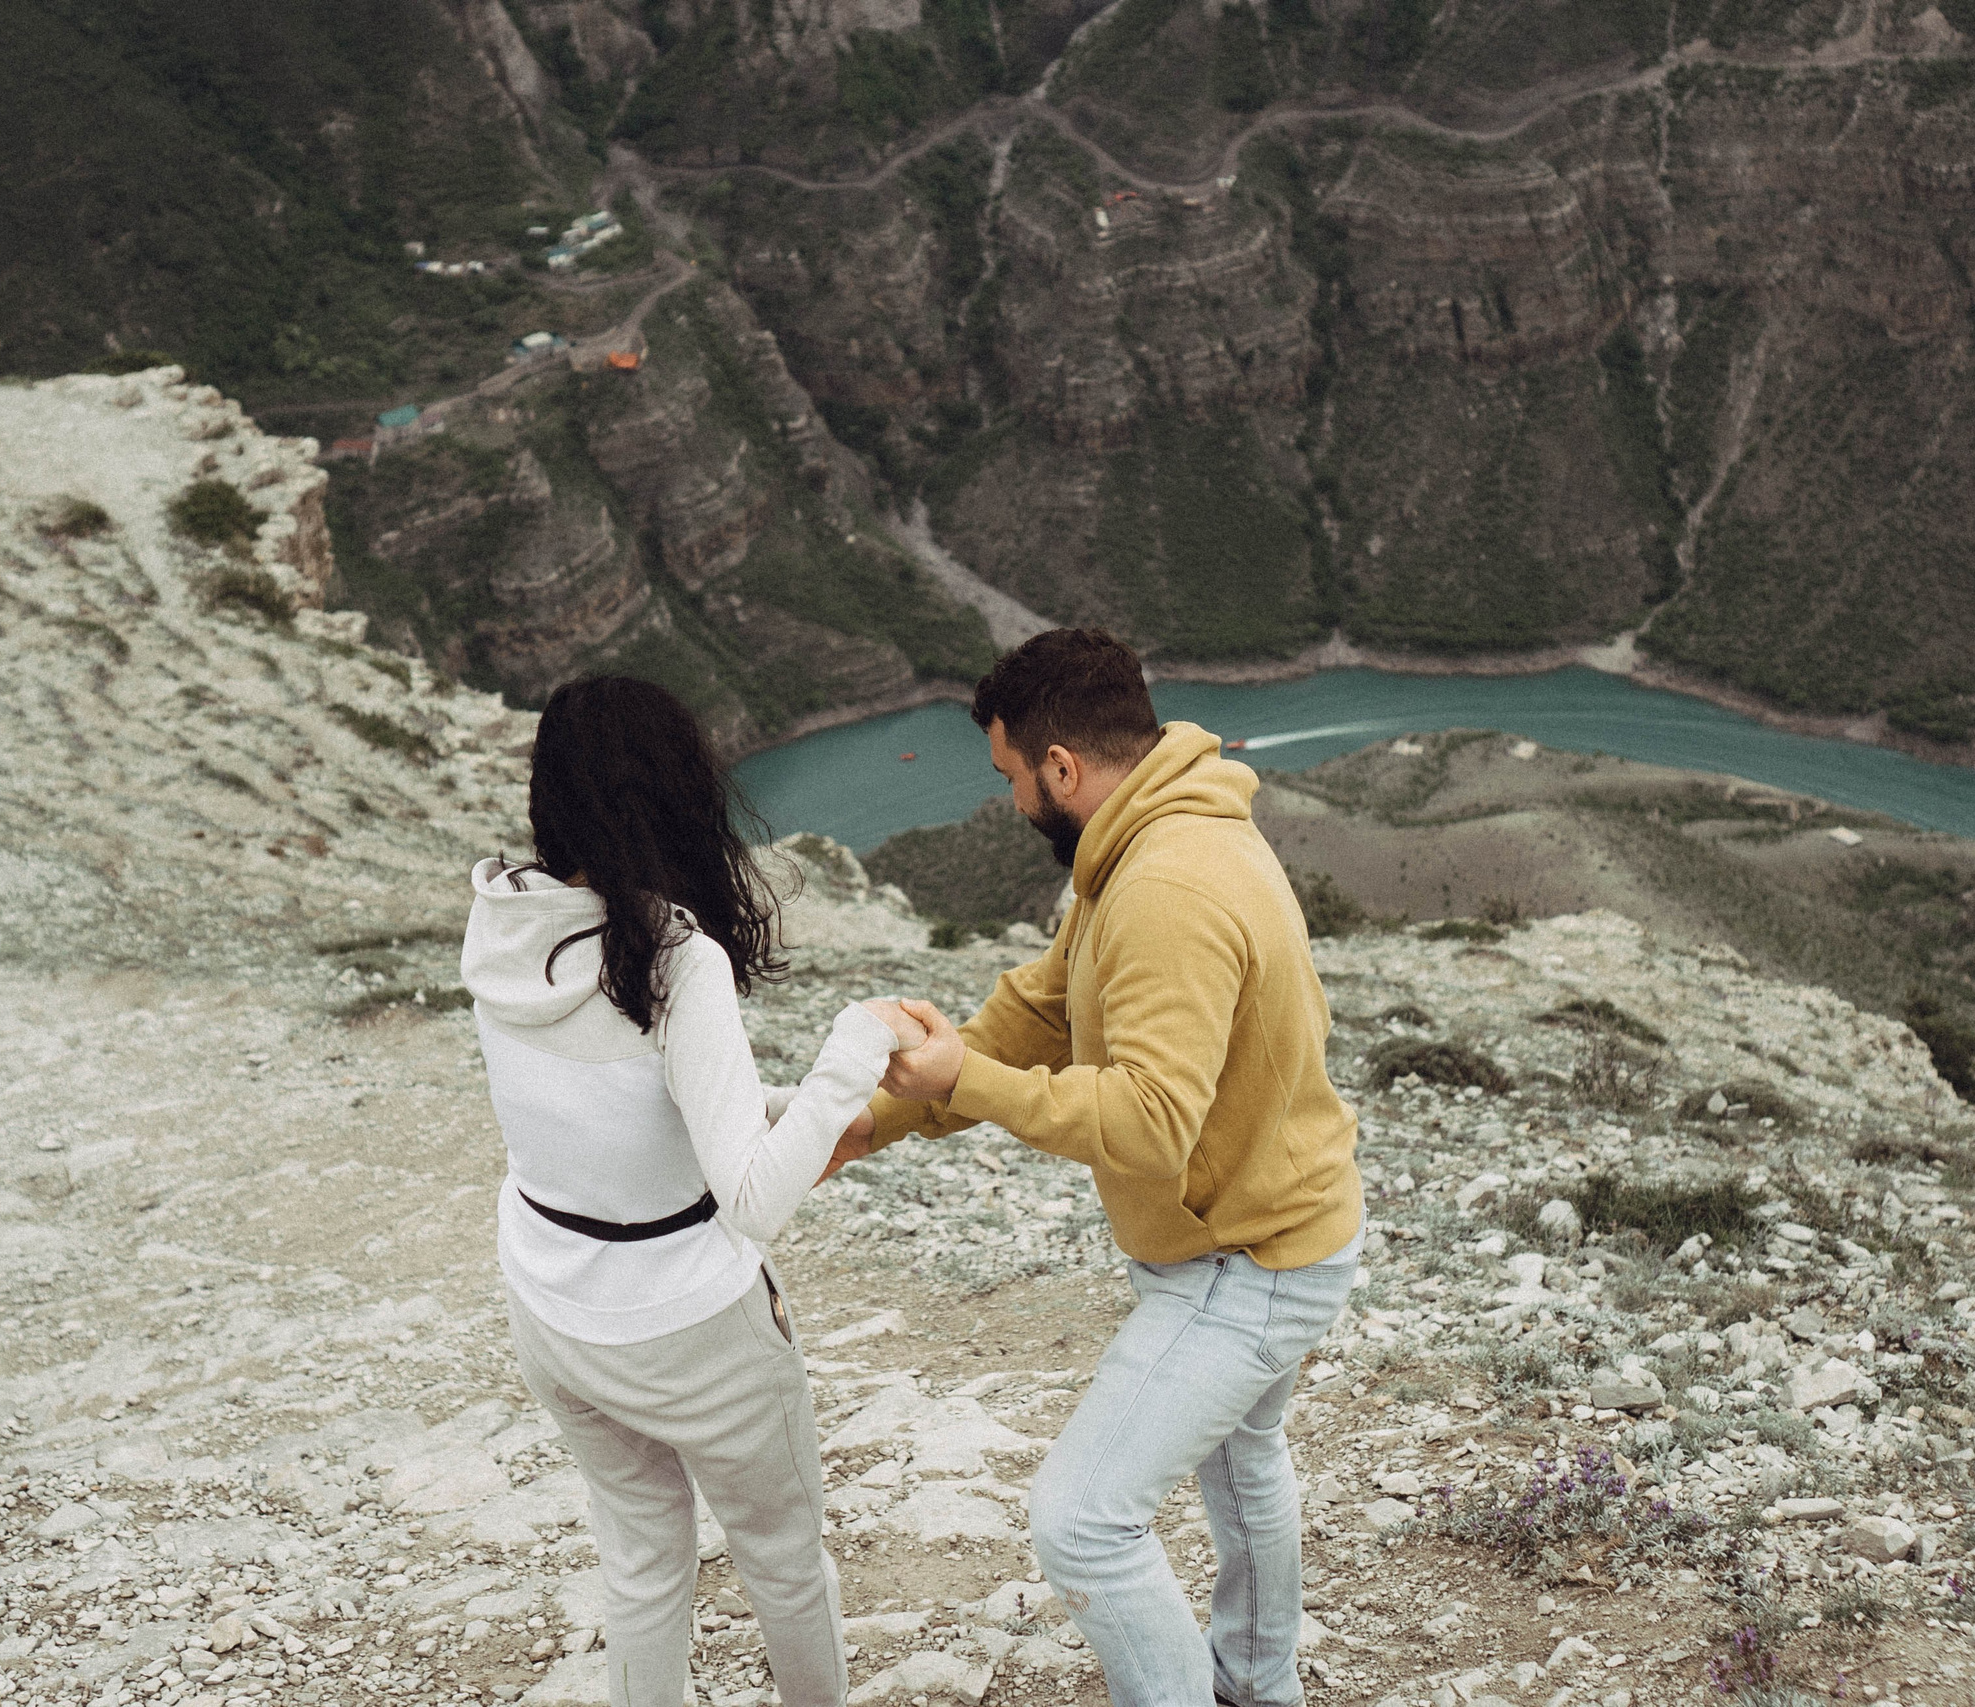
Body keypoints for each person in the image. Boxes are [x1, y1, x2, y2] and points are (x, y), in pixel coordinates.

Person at [842, 629, 1365, 1707]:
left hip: (1246, 1259)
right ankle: (1258, 1686)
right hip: (1275, 1223)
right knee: (1244, 1462)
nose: (1010, 801)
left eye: (1010, 776)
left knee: (1081, 1522)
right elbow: (1039, 1009)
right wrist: (873, 1121)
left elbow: (1150, 1121)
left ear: (1062, 766)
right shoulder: (1144, 838)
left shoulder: (1165, 887)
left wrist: (963, 1080)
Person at [460, 674, 916, 1707]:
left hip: (552, 1304)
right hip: (695, 1327)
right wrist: (854, 1051)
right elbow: (752, 1201)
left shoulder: (499, 920)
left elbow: (619, 1107)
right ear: (674, 794)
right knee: (784, 1563)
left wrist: (788, 1109)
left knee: (641, 1560)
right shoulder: (673, 958)